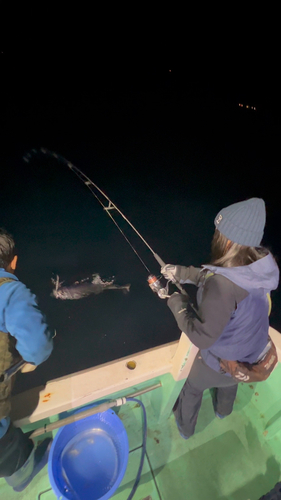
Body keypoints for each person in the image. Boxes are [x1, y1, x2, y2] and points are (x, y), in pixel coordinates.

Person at [161, 198, 279, 439]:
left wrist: (177, 303)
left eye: (218, 231)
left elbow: (203, 338)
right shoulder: (254, 265)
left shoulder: (221, 287)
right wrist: (182, 273)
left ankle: (185, 428)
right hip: (250, 355)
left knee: (192, 387)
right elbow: (214, 276)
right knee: (230, 380)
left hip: (222, 362)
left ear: (227, 240)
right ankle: (223, 411)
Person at [0, 228, 53, 491]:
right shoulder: (10, 292)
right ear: (14, 262)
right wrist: (29, 361)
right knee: (11, 455)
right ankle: (23, 474)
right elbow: (39, 346)